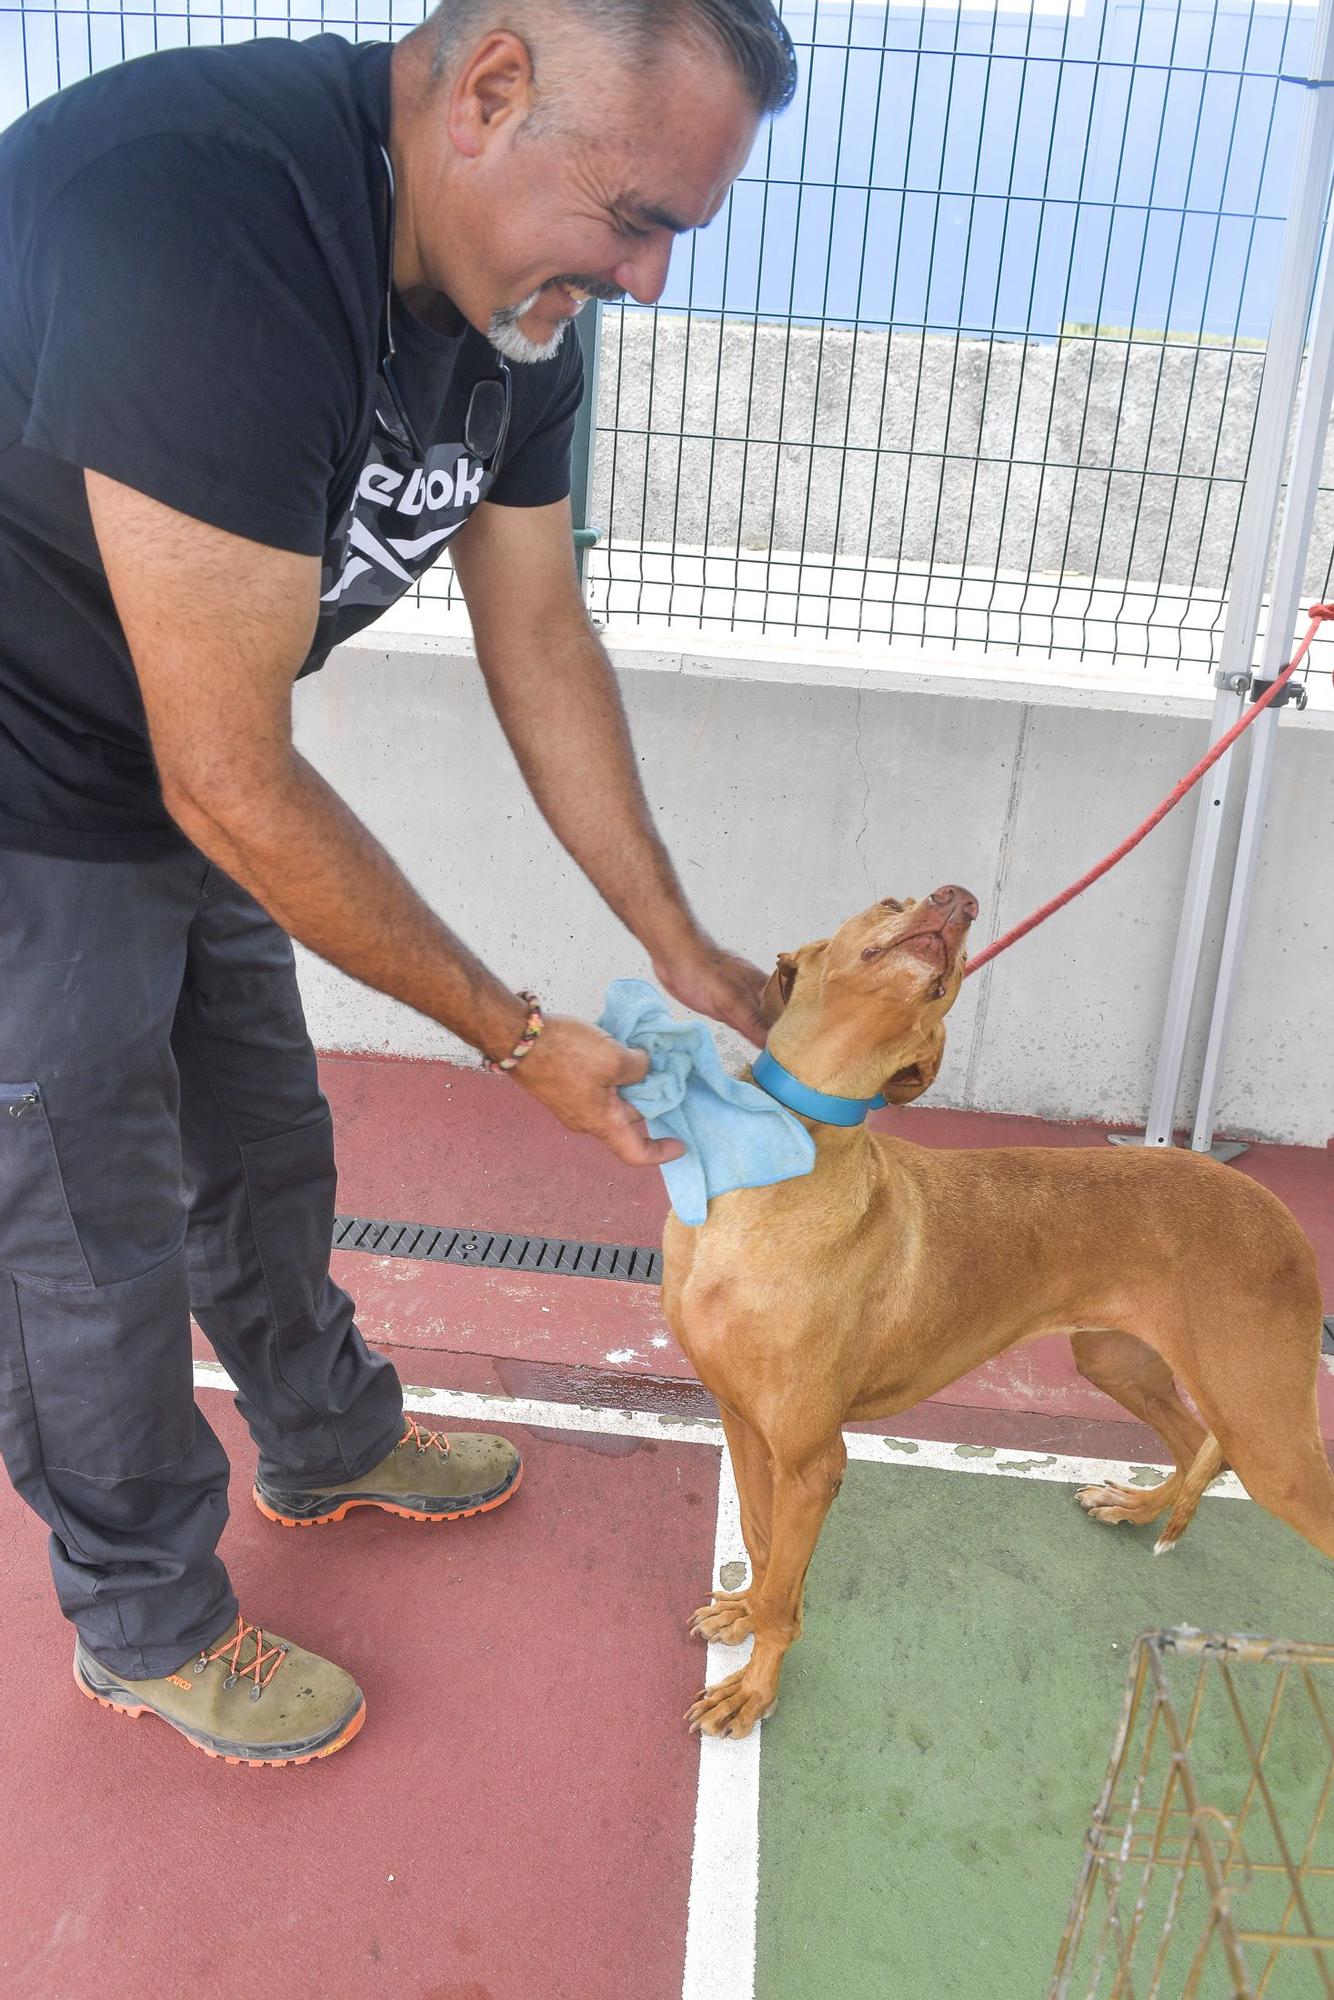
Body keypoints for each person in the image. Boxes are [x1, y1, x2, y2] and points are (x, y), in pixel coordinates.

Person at [0, 0, 796, 1765]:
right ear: (489, 91)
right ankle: (144, 1619)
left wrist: (679, 947)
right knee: (81, 1229)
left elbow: (537, 634)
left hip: (167, 759)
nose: (653, 281)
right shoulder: (195, 216)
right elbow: (232, 772)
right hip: (29, 786)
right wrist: (517, 1039)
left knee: (265, 1138)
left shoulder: (524, 305)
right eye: (640, 216)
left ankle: (326, 1432)